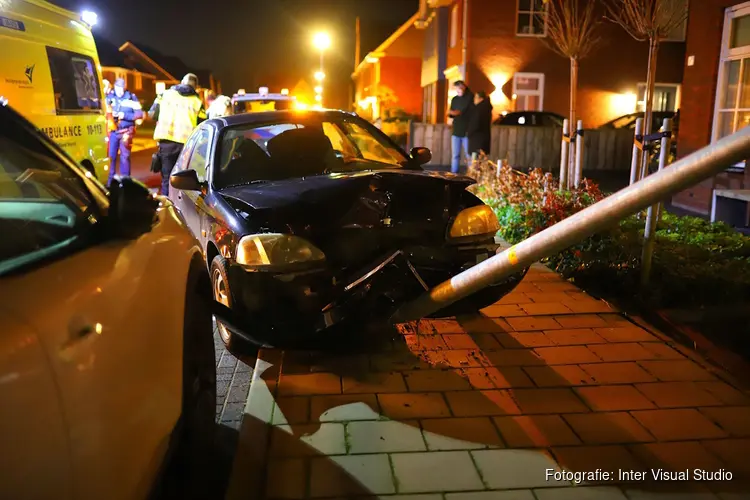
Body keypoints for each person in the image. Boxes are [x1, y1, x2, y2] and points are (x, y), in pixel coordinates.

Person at [150, 73, 207, 195]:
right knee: (184, 180)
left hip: (166, 143)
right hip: (187, 146)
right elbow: (203, 124)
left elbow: (152, 114)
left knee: (167, 179)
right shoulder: (197, 101)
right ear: (195, 86)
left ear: (182, 82)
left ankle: (168, 208)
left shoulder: (165, 95)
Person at [105, 78, 143, 186]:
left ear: (124, 88)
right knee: (111, 157)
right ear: (115, 87)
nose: (120, 91)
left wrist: (124, 115)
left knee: (125, 157)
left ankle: (125, 183)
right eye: (118, 88)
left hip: (126, 132)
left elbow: (139, 114)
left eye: (122, 89)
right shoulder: (110, 97)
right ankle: (109, 183)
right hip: (113, 132)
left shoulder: (131, 97)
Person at [447, 80, 474, 174]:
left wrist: (454, 112)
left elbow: (459, 112)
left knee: (469, 155)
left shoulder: (469, 98)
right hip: (456, 131)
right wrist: (452, 114)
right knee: (455, 155)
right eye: (456, 89)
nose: (458, 90)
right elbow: (451, 113)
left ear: (463, 87)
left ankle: (471, 174)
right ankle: (453, 174)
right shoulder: (454, 99)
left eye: (459, 88)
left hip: (466, 131)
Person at [467, 91, 493, 158]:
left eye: (476, 98)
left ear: (481, 99)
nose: (474, 100)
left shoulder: (479, 110)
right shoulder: (487, 109)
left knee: (475, 161)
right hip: (484, 139)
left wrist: (469, 133)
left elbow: (475, 123)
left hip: (476, 140)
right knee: (482, 161)